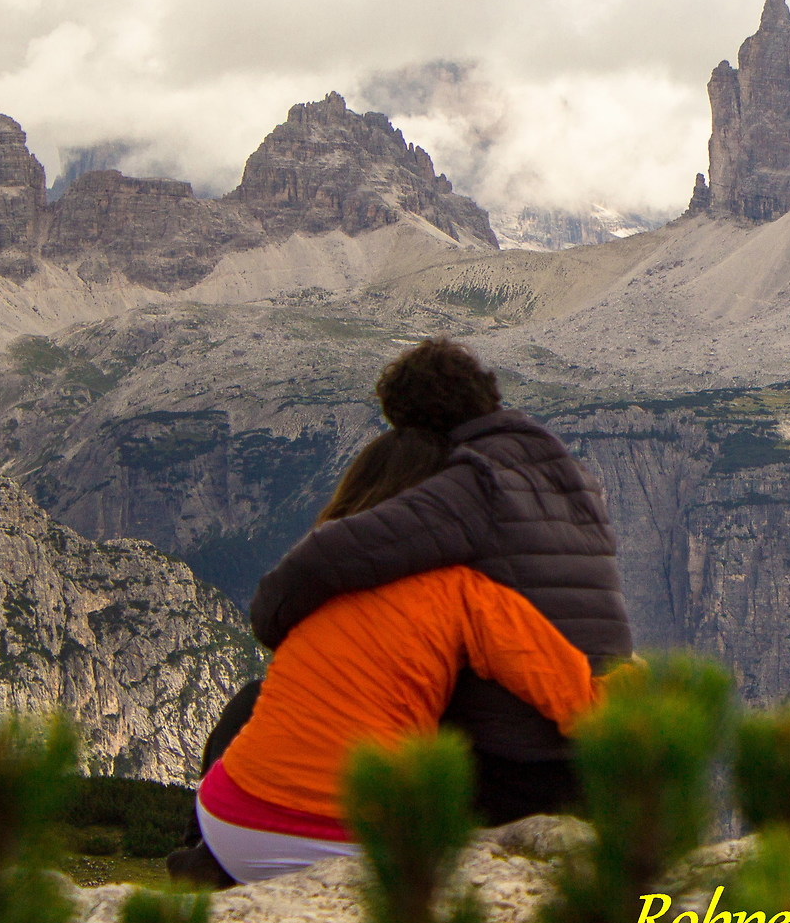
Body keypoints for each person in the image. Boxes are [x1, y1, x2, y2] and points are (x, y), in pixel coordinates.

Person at [190, 426, 604, 884]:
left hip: (229, 820)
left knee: (255, 698)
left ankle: (199, 861)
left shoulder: (322, 581)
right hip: (353, 840)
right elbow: (584, 706)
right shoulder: (466, 593)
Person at [249, 337, 633, 826]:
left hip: (514, 765)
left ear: (418, 428)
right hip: (601, 750)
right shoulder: (572, 475)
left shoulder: (476, 485)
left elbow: (330, 557)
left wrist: (271, 619)